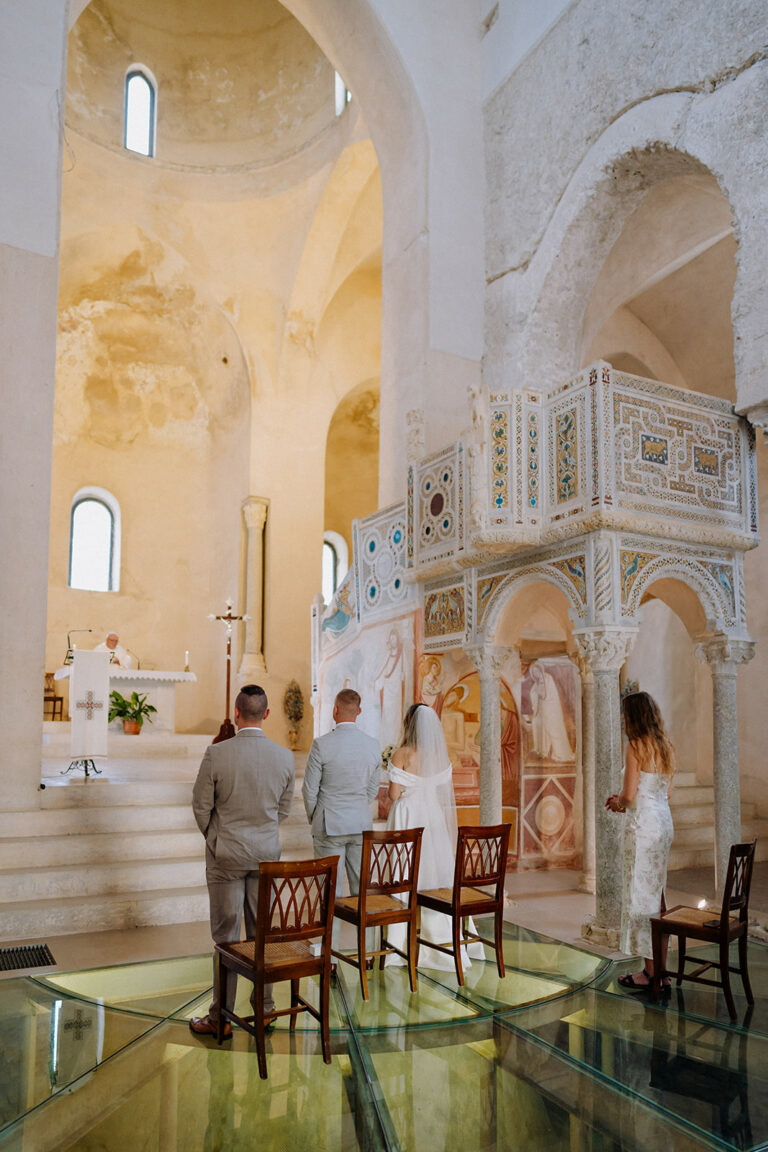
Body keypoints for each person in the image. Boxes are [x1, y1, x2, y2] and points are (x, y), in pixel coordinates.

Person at [190, 684, 295, 1037]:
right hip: (266, 855)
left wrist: (217, 838)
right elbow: (283, 809)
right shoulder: (284, 757)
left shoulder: (217, 754)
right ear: (267, 714)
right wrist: (262, 834)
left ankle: (221, 1018)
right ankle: (264, 1010)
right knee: (261, 934)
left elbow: (201, 805)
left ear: (236, 713)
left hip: (226, 855)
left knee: (226, 938)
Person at [386, 703, 484, 970]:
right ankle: (443, 939)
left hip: (407, 817)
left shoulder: (401, 754)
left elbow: (394, 795)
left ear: (408, 725)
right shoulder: (439, 756)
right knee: (432, 874)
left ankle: (402, 944)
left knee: (407, 873)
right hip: (432, 818)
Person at [302, 688, 382, 958]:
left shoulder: (322, 744)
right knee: (363, 892)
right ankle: (369, 951)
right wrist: (358, 806)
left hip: (329, 824)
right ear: (359, 712)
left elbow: (309, 790)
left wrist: (316, 817)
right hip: (360, 825)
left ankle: (329, 952)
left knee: (330, 893)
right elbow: (373, 790)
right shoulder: (372, 745)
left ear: (334, 711)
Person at [605, 690, 675, 991]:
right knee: (656, 894)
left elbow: (630, 795)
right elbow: (667, 793)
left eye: (624, 714)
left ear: (634, 716)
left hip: (643, 827)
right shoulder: (665, 746)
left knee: (642, 897)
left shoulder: (635, 746)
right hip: (663, 823)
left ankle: (650, 973)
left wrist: (617, 802)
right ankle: (661, 969)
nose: (622, 718)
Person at [527, 662, 571, 761]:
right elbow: (534, 693)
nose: (535, 674)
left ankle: (559, 753)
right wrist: (536, 694)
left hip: (550, 708)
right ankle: (542, 750)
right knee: (536, 723)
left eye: (536, 671)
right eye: (533, 673)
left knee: (553, 729)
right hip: (541, 709)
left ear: (540, 670)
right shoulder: (537, 683)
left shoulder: (548, 678)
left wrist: (539, 693)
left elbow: (547, 695)